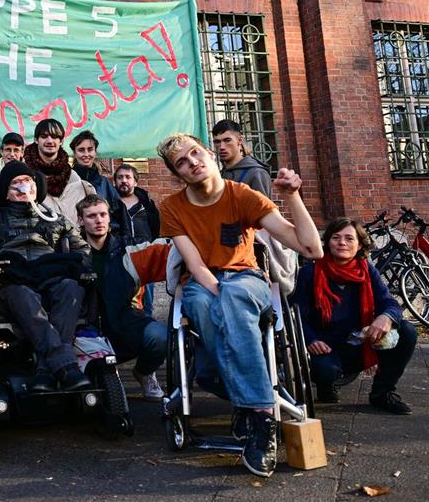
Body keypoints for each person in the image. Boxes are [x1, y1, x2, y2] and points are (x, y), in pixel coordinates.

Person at [156, 133, 322, 478]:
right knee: (204, 305)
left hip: (248, 279)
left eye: (195, 153)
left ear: (210, 154)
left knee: (231, 298)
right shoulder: (172, 207)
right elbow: (197, 266)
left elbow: (311, 249)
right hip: (204, 282)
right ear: (179, 174)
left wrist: (292, 197)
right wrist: (222, 295)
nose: (192, 163)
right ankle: (257, 409)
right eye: (182, 163)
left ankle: (256, 413)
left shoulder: (242, 195)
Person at [0, 160, 92, 392]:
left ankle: (45, 368)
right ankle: (65, 367)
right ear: (6, 191)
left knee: (72, 289)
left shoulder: (54, 217)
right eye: (16, 183)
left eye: (28, 181)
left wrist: (79, 264)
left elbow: (82, 249)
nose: (23, 187)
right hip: (12, 279)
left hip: (49, 275)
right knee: (23, 294)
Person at [293, 217, 415, 414]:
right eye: (336, 237)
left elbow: (389, 303)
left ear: (359, 245)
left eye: (349, 238)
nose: (342, 242)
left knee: (407, 331)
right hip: (325, 345)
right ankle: (326, 385)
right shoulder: (310, 272)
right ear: (328, 242)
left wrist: (386, 317)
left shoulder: (367, 270)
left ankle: (382, 393)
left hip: (359, 341)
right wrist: (310, 339)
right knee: (326, 370)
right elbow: (297, 314)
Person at [77, 195, 165, 401]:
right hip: (85, 325)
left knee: (159, 336)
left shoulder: (127, 248)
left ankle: (144, 373)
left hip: (124, 316)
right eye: (91, 216)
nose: (98, 221)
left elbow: (162, 254)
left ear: (109, 218)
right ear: (80, 220)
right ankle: (106, 376)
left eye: (102, 215)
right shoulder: (72, 250)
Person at [112, 164, 161, 314]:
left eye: (128, 177)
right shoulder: (112, 203)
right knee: (124, 297)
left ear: (135, 182)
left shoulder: (146, 204)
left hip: (145, 254)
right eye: (120, 177)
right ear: (115, 182)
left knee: (147, 297)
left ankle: (148, 325)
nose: (124, 181)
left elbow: (156, 227)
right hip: (121, 255)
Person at [23, 119, 95, 220]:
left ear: (61, 141)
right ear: (36, 140)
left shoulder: (73, 178)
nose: (49, 141)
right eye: (44, 136)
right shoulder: (23, 175)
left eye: (54, 137)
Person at [211, 119, 272, 198]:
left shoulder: (256, 173)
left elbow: (264, 209)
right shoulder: (220, 174)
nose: (222, 147)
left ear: (239, 141)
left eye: (227, 140)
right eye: (217, 142)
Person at [69, 130, 121, 206]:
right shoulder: (67, 180)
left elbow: (117, 213)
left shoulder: (104, 183)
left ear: (95, 152)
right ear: (74, 153)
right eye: (81, 150)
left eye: (90, 150)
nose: (86, 154)